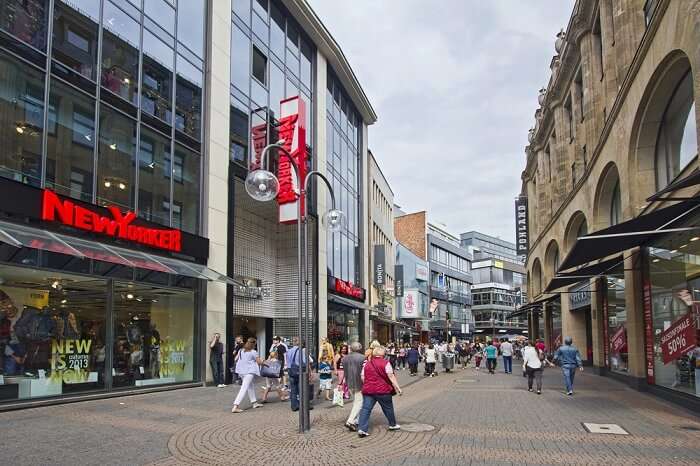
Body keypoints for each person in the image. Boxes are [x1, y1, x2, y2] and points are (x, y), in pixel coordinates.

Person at [357, 346, 403, 438]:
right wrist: (398, 387)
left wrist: (368, 384)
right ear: (383, 354)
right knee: (388, 408)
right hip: (383, 390)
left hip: (369, 390)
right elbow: (391, 376)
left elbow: (362, 376)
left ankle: (362, 429)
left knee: (365, 409)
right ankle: (392, 424)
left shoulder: (367, 364)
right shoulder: (386, 363)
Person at [231, 337, 263, 413]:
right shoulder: (253, 352)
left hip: (241, 371)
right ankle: (236, 406)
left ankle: (254, 403)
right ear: (254, 344)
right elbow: (259, 362)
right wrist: (265, 362)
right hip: (249, 371)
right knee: (244, 388)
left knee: (250, 386)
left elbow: (235, 359)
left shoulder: (241, 350)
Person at [343, 342, 366, 431]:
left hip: (349, 383)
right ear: (359, 348)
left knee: (356, 402)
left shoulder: (344, 358)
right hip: (360, 383)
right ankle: (350, 421)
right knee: (359, 403)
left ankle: (356, 420)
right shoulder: (363, 358)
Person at [286, 337, 312, 412]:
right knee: (302, 389)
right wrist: (309, 372)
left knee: (293, 389)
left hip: (291, 371)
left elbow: (287, 362)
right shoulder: (302, 351)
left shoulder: (289, 351)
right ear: (299, 342)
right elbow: (305, 362)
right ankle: (304, 406)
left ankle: (294, 406)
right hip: (300, 371)